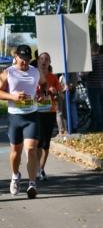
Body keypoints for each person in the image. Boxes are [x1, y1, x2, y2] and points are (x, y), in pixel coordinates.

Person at [0, 45, 45, 198]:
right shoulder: (9, 72)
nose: (24, 62)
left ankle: (32, 184)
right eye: (22, 59)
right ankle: (15, 176)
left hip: (31, 115)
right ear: (16, 57)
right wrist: (13, 97)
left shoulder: (35, 72)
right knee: (15, 152)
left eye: (27, 59)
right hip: (15, 117)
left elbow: (42, 86)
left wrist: (41, 94)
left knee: (31, 149)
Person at [35, 52, 63, 181]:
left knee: (46, 142)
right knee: (39, 141)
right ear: (38, 61)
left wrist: (55, 92)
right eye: (41, 59)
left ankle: (41, 168)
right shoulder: (33, 75)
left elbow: (60, 96)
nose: (44, 61)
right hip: (37, 112)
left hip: (50, 111)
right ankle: (36, 168)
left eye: (46, 59)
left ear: (50, 62)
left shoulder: (53, 77)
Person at [83, 42, 103, 131]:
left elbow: (86, 74)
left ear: (91, 50)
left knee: (95, 107)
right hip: (101, 85)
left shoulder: (92, 60)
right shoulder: (102, 59)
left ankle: (97, 126)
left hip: (92, 85)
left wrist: (81, 74)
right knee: (101, 106)